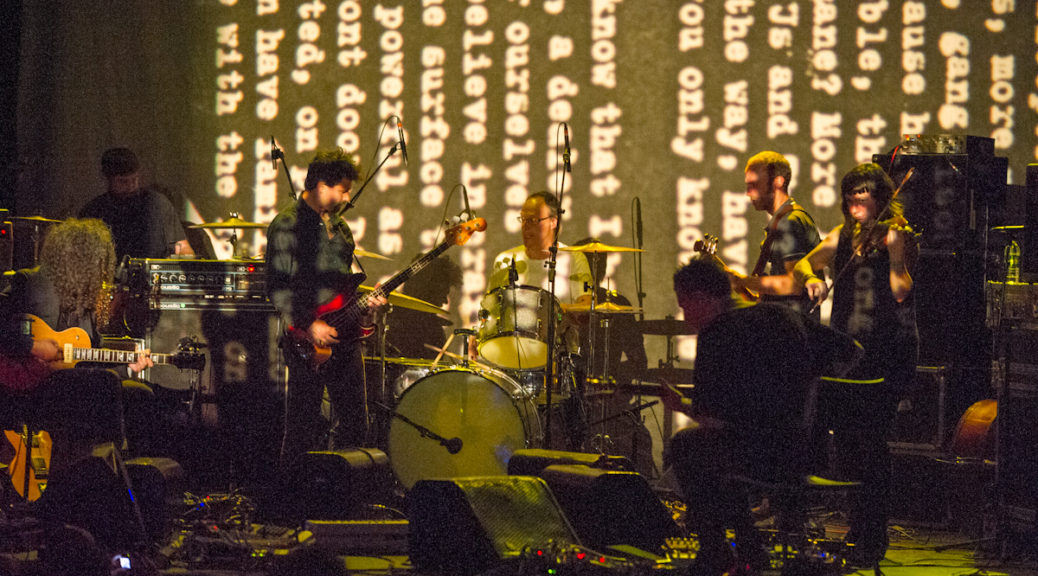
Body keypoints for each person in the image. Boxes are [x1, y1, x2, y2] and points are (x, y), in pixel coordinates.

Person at [662, 258, 861, 575]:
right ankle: (749, 549)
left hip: (758, 459)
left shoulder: (717, 334)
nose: (686, 318)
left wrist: (681, 404)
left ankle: (720, 549)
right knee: (719, 448)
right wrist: (813, 392)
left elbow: (712, 420)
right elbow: (851, 350)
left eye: (685, 306)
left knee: (688, 445)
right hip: (805, 454)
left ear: (702, 298)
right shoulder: (783, 314)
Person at [792, 162, 918, 565]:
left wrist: (897, 263)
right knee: (845, 441)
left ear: (880, 198)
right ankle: (857, 527)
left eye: (864, 194)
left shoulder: (896, 234)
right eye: (851, 194)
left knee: (871, 443)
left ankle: (873, 536)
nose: (856, 201)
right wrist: (811, 277)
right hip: (847, 352)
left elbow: (902, 288)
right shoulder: (841, 236)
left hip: (888, 350)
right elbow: (803, 264)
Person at [265, 148, 387, 470]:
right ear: (320, 185)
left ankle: (342, 500)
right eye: (342, 189)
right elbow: (276, 287)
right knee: (303, 428)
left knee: (354, 425)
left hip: (344, 338)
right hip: (304, 340)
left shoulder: (342, 230)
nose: (347, 197)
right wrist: (309, 325)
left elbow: (343, 291)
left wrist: (367, 307)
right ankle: (291, 501)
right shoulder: (287, 226)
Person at [728, 151, 821, 317]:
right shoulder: (783, 222)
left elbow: (794, 284)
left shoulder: (790, 222)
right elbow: (767, 297)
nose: (748, 193)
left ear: (778, 182)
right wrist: (741, 286)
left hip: (792, 331)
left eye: (754, 185)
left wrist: (741, 280)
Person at [80, 147, 193, 260]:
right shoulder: (93, 211)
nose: (130, 186)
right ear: (106, 179)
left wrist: (186, 262)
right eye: (123, 182)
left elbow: (182, 247)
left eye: (134, 180)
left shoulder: (158, 204)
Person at [385, 254, 463, 359]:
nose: (445, 302)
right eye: (443, 293)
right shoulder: (432, 332)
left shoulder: (434, 331)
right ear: (429, 291)